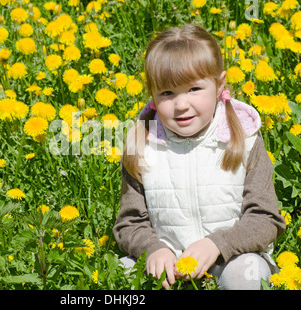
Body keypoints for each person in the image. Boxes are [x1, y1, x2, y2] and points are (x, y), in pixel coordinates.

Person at [113, 24, 286, 290]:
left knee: (246, 274)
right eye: (167, 93)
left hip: (231, 258)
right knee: (120, 273)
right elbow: (129, 222)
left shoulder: (245, 139)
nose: (181, 105)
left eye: (194, 89)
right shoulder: (141, 143)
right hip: (168, 264)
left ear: (219, 85)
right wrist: (153, 249)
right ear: (152, 94)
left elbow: (265, 219)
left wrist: (217, 244)